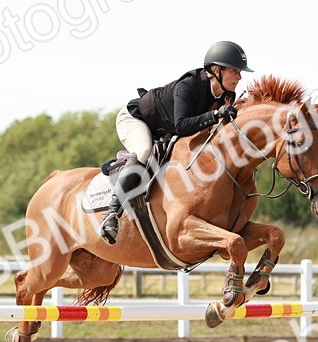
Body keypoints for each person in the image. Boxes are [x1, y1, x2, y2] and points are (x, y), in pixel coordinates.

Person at [99, 41, 252, 244]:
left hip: (165, 131)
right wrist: (215, 114)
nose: (239, 77)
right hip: (136, 119)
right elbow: (181, 126)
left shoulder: (228, 95)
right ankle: (111, 214)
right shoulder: (188, 86)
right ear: (217, 71)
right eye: (235, 71)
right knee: (144, 150)